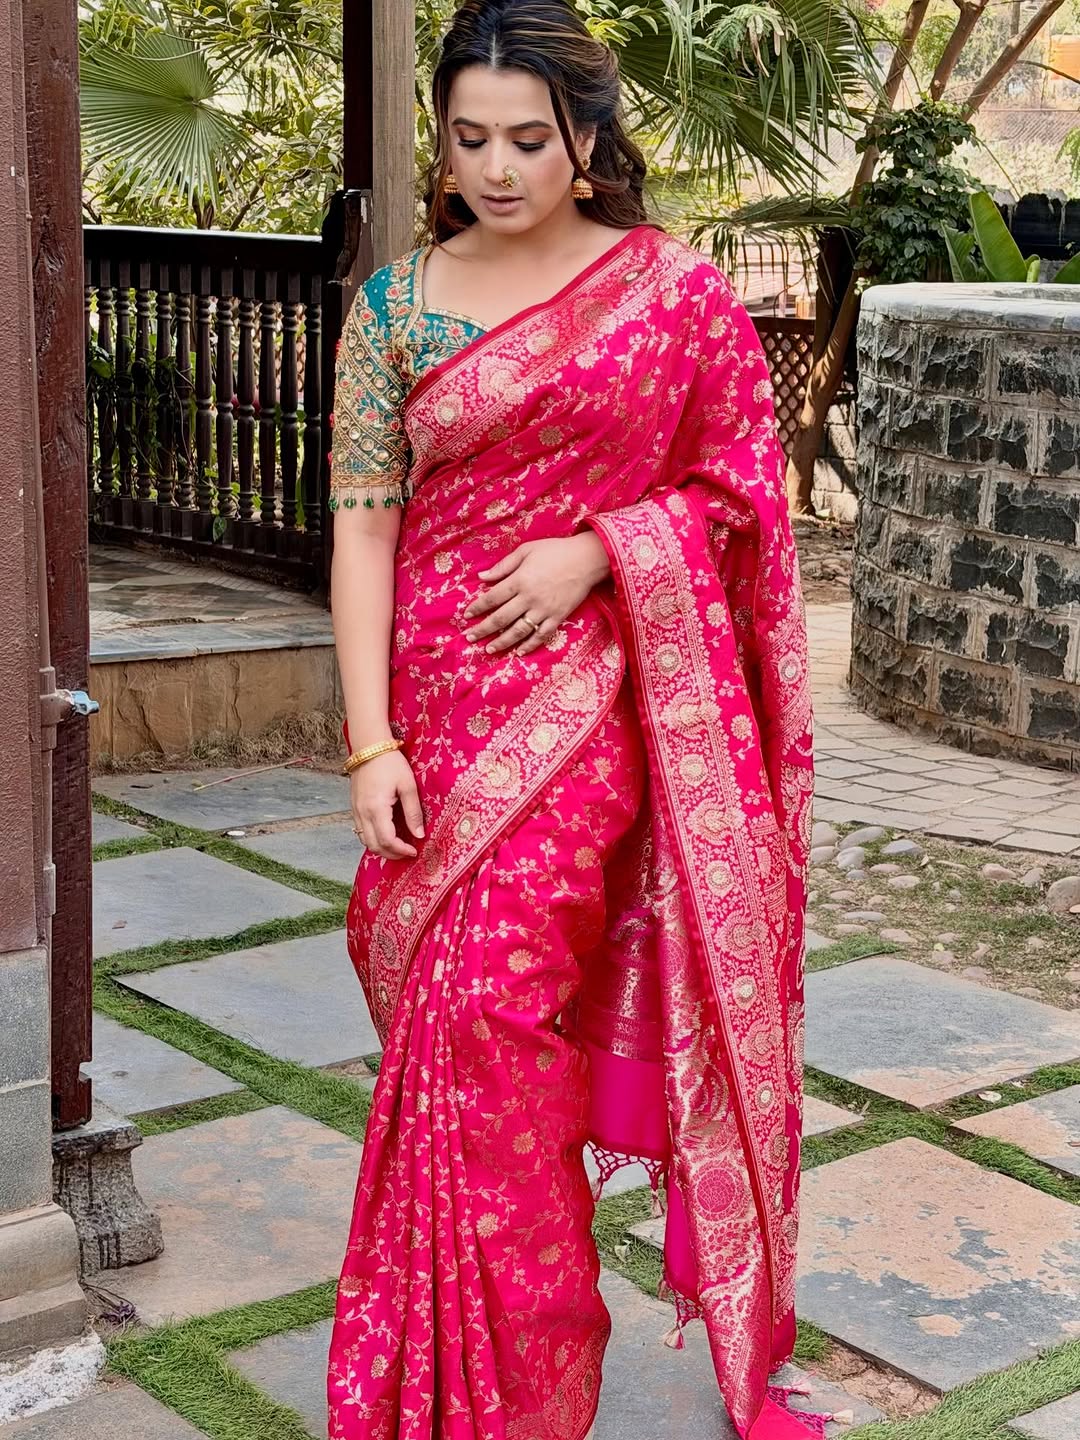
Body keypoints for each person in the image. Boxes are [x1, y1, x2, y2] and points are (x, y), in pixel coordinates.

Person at [326, 2, 816, 1437]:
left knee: (495, 1021)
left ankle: (521, 1388)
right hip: (428, 708)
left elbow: (744, 498)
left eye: (528, 138)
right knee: (447, 1040)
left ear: (589, 136)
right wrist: (369, 742)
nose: (496, 165)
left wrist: (602, 544)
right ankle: (439, 1378)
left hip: (589, 709)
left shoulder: (672, 296)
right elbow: (362, 532)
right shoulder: (399, 308)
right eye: (469, 137)